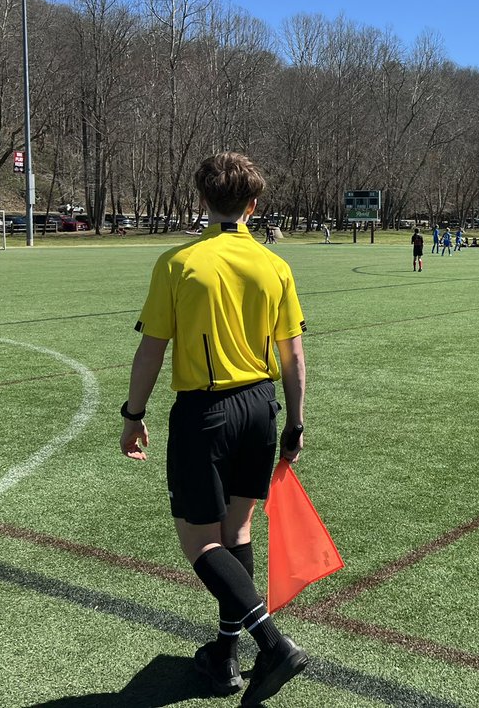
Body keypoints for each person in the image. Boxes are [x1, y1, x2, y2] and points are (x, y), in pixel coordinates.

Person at [120, 152, 309, 704]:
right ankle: (224, 658)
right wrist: (295, 423)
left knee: (200, 543)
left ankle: (273, 644)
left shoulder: (180, 263)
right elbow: (293, 355)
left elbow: (151, 349)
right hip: (260, 406)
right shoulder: (274, 265)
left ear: (202, 200)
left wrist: (133, 415)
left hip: (205, 413)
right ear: (255, 205)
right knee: (238, 533)